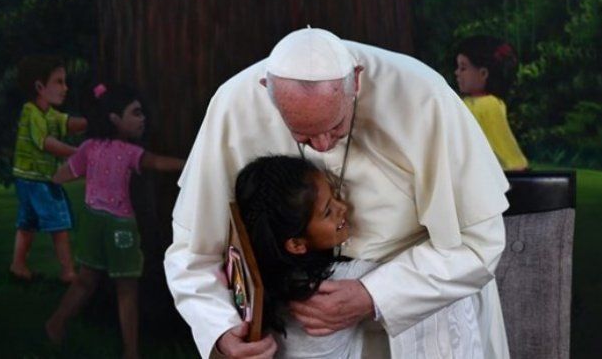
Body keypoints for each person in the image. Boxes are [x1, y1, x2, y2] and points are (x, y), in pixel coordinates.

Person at [165, 27, 511, 359]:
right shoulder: (233, 105)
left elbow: (479, 242)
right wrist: (222, 329)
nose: (323, 145)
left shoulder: (423, 95)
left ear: (356, 82)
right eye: (301, 134)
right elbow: (194, 250)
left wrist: (374, 294)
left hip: (421, 321)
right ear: (265, 89)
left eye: (335, 126)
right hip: (299, 333)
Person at [233, 154, 484, 359]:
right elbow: (429, 280)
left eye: (334, 195)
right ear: (297, 244)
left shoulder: (270, 282)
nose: (343, 207)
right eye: (328, 211)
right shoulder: (336, 281)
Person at [45, 84, 185, 359]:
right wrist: (189, 163)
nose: (142, 118)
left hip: (92, 221)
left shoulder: (89, 148)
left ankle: (57, 323)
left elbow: (61, 175)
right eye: (135, 113)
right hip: (120, 226)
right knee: (127, 288)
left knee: (88, 280)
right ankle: (130, 351)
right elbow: (156, 163)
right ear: (114, 118)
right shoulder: (129, 153)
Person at [11, 55, 87, 282]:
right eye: (59, 82)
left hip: (27, 178)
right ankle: (68, 272)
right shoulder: (31, 112)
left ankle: (18, 265)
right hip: (38, 179)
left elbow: (67, 124)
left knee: (27, 223)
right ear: (40, 87)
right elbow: (46, 142)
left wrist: (93, 120)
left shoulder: (48, 113)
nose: (65, 88)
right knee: (59, 221)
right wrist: (78, 154)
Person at [455, 35, 528, 171]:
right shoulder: (468, 103)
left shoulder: (488, 105)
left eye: (463, 68)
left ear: (483, 73)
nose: (457, 73)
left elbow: (501, 143)